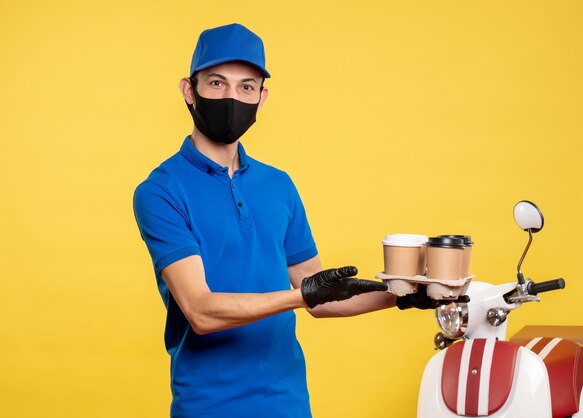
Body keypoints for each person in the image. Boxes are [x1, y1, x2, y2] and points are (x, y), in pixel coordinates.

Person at [133, 23, 436, 418]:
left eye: (246, 87)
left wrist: (404, 294)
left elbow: (322, 300)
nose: (232, 96)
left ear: (261, 98)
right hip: (208, 406)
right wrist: (303, 296)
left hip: (288, 403)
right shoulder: (160, 191)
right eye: (216, 83)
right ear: (190, 91)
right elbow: (202, 311)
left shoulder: (278, 186)